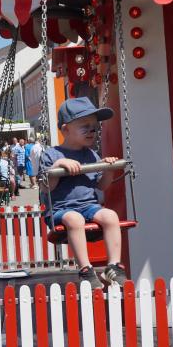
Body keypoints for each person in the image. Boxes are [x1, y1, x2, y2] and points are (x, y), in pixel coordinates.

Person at [39, 97, 128, 289]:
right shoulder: (51, 154)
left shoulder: (91, 155)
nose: (92, 131)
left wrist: (108, 169)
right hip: (62, 210)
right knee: (75, 219)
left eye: (94, 127)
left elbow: (102, 186)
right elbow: (47, 188)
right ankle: (86, 269)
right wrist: (58, 165)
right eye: (84, 126)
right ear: (65, 130)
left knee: (111, 215)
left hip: (89, 207)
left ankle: (112, 266)